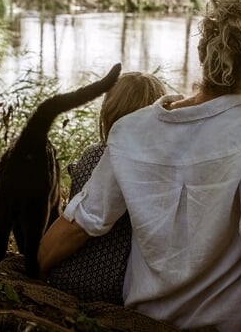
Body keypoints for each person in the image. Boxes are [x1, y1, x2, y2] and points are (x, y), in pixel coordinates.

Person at [38, 0, 241, 332]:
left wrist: (34, 269)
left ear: (201, 50)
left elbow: (81, 222)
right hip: (219, 326)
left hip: (139, 318)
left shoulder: (131, 129)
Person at [45, 71, 167, 305]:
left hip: (72, 273)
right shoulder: (161, 167)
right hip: (122, 283)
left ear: (109, 111)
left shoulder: (96, 156)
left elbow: (75, 226)